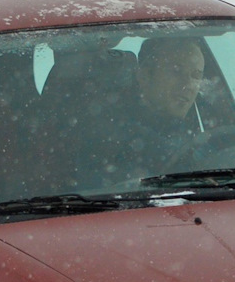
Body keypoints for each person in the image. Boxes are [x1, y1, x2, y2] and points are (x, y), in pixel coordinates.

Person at [86, 36, 208, 185]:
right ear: (144, 76)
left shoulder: (193, 136)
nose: (188, 84)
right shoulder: (109, 142)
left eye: (196, 76)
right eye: (176, 71)